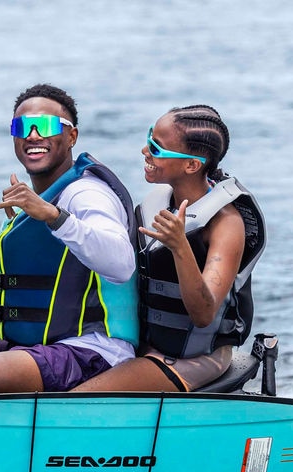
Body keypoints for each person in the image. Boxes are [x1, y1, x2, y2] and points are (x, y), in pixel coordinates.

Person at [0, 84, 138, 397]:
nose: (34, 135)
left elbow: (121, 264)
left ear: (72, 137)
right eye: (22, 126)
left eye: (48, 126)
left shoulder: (86, 193)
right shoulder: (37, 199)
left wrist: (53, 216)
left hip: (89, 351)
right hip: (39, 346)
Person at [73, 105, 264, 392]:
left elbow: (203, 314)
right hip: (144, 344)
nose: (144, 151)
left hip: (195, 358)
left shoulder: (226, 224)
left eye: (156, 148)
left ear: (191, 165)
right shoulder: (159, 201)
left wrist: (180, 246)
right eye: (149, 138)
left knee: (78, 399)